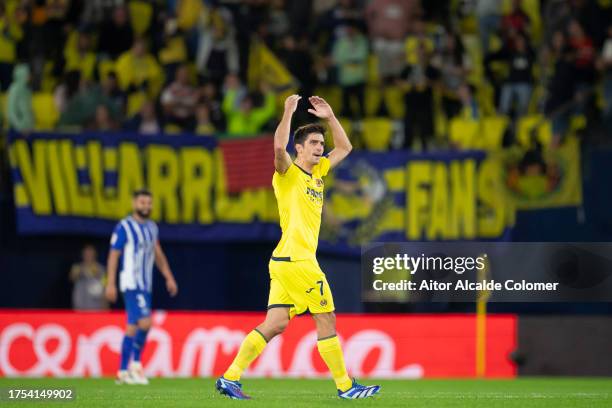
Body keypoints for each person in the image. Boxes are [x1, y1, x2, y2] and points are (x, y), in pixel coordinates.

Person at [215, 95, 381, 400]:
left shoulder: (318, 173)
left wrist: (331, 118)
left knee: (275, 324)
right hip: (298, 260)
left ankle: (230, 377)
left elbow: (345, 148)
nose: (320, 147)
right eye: (314, 143)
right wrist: (288, 111)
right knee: (326, 317)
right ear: (299, 148)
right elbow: (278, 148)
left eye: (321, 143)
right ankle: (345, 386)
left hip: (284, 260)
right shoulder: (288, 175)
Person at [105, 189, 179, 385]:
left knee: (132, 325)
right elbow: (114, 255)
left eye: (148, 203)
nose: (146, 206)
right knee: (145, 323)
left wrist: (169, 277)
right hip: (130, 282)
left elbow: (158, 254)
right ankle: (135, 365)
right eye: (142, 202)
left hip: (146, 284)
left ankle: (123, 371)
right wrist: (110, 283)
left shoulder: (152, 227)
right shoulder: (124, 226)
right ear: (134, 204)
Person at [70, 244, 108, 311]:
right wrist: (82, 271)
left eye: (90, 253)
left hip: (96, 306)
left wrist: (106, 305)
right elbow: (72, 278)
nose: (88, 256)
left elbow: (105, 286)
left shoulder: (101, 269)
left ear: (95, 255)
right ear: (82, 255)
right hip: (80, 305)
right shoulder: (77, 268)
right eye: (86, 254)